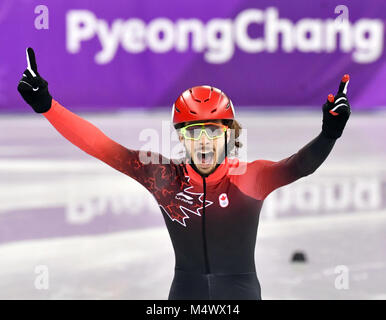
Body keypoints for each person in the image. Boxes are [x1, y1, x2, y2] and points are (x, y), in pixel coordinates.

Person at [17, 48, 351, 300]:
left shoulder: (250, 177)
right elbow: (101, 146)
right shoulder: (162, 177)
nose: (203, 142)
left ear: (229, 135)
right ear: (181, 138)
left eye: (212, 131)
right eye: (193, 133)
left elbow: (298, 166)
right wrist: (48, 106)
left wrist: (329, 135)